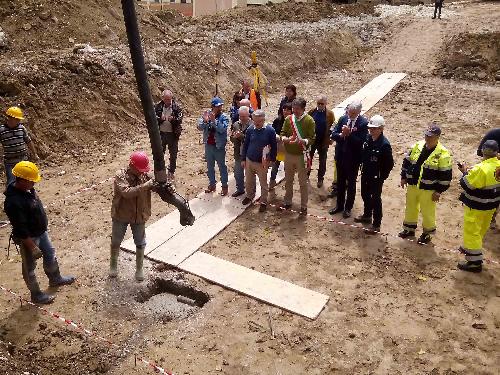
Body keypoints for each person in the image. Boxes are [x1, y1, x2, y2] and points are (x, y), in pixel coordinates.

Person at [3, 161, 75, 304]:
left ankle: (55, 278)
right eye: (31, 181)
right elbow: (20, 229)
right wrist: (32, 247)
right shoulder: (13, 202)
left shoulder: (28, 189)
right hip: (29, 238)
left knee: (50, 254)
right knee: (29, 268)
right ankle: (36, 294)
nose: (34, 184)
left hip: (41, 232)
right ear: (21, 180)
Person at [399, 124, 452, 244]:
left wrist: (439, 191)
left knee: (428, 212)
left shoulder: (443, 154)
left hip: (429, 189)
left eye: (431, 137)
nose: (427, 138)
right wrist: (403, 177)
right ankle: (409, 229)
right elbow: (407, 161)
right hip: (413, 185)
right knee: (410, 207)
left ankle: (427, 234)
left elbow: (446, 176)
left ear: (437, 137)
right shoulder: (418, 145)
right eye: (426, 135)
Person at [456, 140, 500, 272]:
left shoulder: (480, 169)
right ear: (496, 152)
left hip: (477, 206)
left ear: (482, 152)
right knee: (481, 229)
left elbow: (466, 184)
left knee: (472, 231)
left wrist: (464, 171)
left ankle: (474, 263)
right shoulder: (498, 165)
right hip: (492, 205)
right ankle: (471, 248)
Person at [110, 151, 154, 281]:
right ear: (132, 165)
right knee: (116, 240)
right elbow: (126, 192)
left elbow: (157, 184)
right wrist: (145, 186)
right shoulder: (120, 176)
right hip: (121, 214)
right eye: (140, 169)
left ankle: (139, 268)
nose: (142, 172)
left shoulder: (145, 176)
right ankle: (113, 265)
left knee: (140, 242)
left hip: (139, 215)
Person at [354, 115, 394, 233]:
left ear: (381, 129)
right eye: (370, 128)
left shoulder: (384, 145)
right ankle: (367, 215)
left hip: (376, 177)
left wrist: (382, 176)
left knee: (375, 200)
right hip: (366, 172)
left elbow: (389, 164)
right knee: (364, 194)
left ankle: (376, 224)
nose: (371, 130)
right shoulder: (368, 138)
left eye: (374, 128)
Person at [329, 101, 368, 218]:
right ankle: (339, 205)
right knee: (340, 183)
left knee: (351, 184)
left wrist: (349, 134)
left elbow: (361, 142)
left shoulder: (363, 123)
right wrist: (342, 135)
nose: (350, 115)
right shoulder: (342, 119)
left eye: (353, 113)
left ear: (359, 112)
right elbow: (333, 134)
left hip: (353, 159)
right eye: (349, 112)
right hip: (341, 156)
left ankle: (348, 208)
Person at [279, 98, 315, 216]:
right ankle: (287, 201)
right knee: (288, 179)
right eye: (293, 108)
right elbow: (283, 133)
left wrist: (303, 141)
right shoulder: (289, 119)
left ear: (303, 108)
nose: (295, 111)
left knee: (302, 182)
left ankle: (303, 205)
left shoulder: (309, 120)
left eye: (297, 109)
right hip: (289, 154)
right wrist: (285, 139)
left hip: (301, 155)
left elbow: (312, 138)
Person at [241, 110, 277, 212]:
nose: (256, 124)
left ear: (263, 120)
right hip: (249, 160)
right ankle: (249, 196)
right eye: (254, 121)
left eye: (258, 122)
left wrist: (272, 160)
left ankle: (263, 201)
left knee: (263, 183)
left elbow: (274, 147)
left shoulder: (270, 130)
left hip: (262, 162)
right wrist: (243, 159)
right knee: (248, 181)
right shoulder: (250, 129)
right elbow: (246, 144)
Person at [198, 97, 229, 196]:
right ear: (212, 107)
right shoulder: (206, 114)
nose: (219, 108)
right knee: (210, 166)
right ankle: (212, 184)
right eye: (217, 106)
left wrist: (214, 121)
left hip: (219, 146)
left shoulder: (224, 117)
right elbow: (199, 127)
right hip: (209, 145)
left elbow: (222, 129)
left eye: (220, 106)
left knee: (222, 166)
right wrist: (206, 121)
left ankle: (224, 187)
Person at [1, 107, 39, 186]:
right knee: (11, 183)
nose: (19, 121)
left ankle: (29, 198)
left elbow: (28, 141)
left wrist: (35, 154)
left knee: (26, 182)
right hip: (10, 163)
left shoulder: (21, 128)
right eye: (17, 119)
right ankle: (11, 198)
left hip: (23, 160)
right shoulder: (2, 130)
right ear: (10, 118)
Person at [154, 90, 183, 179]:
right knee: (159, 154)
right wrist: (160, 119)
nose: (168, 101)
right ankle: (159, 172)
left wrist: (173, 119)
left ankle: (171, 171)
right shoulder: (158, 106)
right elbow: (153, 117)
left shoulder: (177, 107)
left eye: (169, 99)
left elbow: (180, 119)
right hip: (161, 134)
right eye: (166, 99)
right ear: (163, 99)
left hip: (173, 134)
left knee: (173, 154)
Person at [308, 95, 335, 188]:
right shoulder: (312, 111)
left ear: (326, 104)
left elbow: (333, 126)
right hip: (312, 140)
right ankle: (307, 174)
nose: (320, 105)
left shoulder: (330, 114)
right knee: (309, 158)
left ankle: (320, 178)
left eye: (322, 104)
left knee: (322, 160)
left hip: (323, 141)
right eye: (318, 103)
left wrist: (331, 138)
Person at [477, 128, 500, 229]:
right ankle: (491, 217)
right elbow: (479, 152)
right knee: (493, 194)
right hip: (494, 170)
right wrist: (495, 157)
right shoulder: (494, 134)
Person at [230, 106, 253, 197]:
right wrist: (233, 137)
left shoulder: (253, 125)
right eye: (240, 116)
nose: (242, 118)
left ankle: (251, 192)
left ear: (248, 115)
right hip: (238, 153)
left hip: (249, 154)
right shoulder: (236, 124)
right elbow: (232, 138)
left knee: (250, 175)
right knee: (238, 173)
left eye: (244, 116)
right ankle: (240, 189)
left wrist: (241, 136)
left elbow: (252, 140)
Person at [270, 102, 292, 188]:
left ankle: (288, 183)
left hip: (289, 147)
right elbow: (272, 131)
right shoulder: (277, 120)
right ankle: (272, 181)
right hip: (278, 147)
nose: (286, 112)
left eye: (288, 110)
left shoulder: (293, 122)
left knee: (288, 166)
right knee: (275, 164)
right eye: (284, 109)